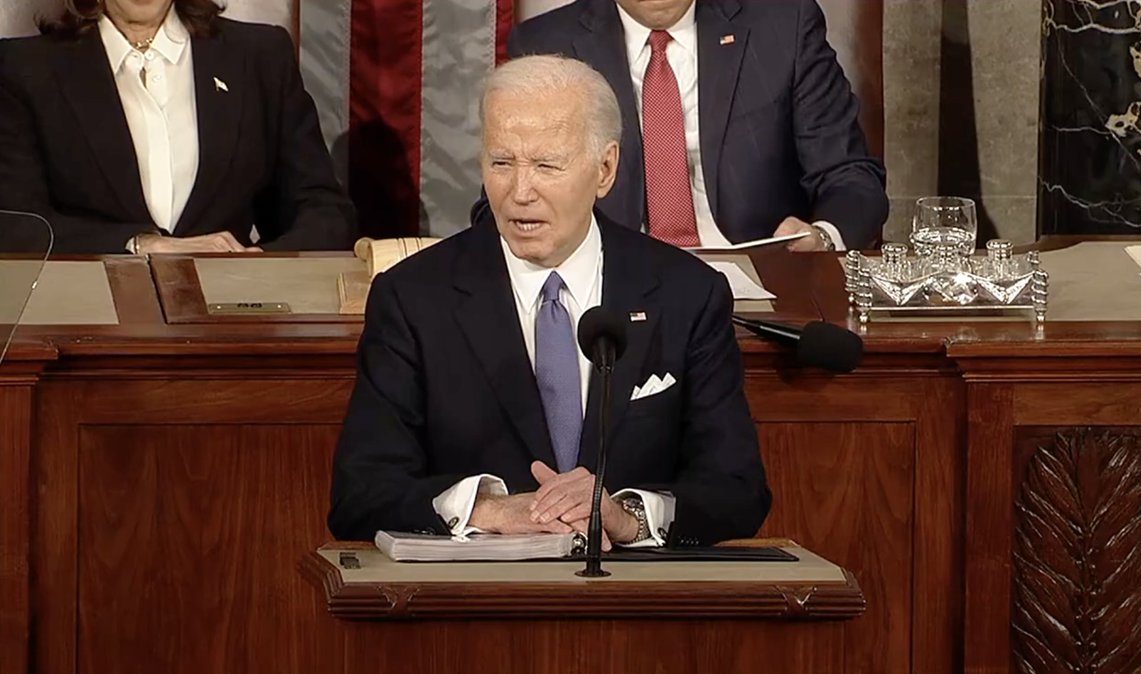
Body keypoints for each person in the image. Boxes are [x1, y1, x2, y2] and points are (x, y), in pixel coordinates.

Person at [329, 55, 770, 549]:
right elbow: (360, 494)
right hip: (475, 605)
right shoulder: (414, 297)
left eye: (546, 165)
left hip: (637, 602)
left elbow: (738, 491)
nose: (519, 192)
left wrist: (627, 516)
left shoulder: (686, 293)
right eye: (501, 163)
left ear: (605, 169)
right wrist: (490, 510)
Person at [485, 0, 887, 252]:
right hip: (611, 285)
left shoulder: (784, 25)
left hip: (759, 285)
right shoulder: (549, 43)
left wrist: (822, 237)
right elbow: (508, 192)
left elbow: (850, 176)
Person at [0, 0, 355, 254]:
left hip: (231, 321)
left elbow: (322, 209)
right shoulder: (27, 69)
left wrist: (259, 266)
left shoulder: (260, 56)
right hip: (87, 320)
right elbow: (16, 224)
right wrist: (141, 245)